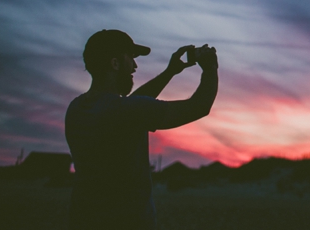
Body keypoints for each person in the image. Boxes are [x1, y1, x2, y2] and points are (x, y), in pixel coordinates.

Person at [65, 29, 218, 230]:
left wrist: (170, 72)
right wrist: (210, 68)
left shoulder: (77, 108)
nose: (135, 66)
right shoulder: (126, 111)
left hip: (83, 219)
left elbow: (131, 105)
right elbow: (199, 106)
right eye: (131, 58)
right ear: (115, 63)